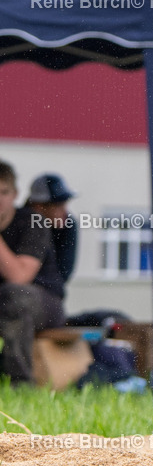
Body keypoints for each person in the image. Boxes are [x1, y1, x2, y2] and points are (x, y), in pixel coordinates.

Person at [0, 160, 67, 385]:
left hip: (45, 303)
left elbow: (20, 276)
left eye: (4, 192)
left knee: (14, 295)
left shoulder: (33, 222)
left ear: (15, 194)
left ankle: (20, 384)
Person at [25, 173, 79, 286]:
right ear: (38, 207)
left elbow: (62, 275)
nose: (65, 211)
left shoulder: (67, 225)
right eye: (58, 205)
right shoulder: (18, 222)